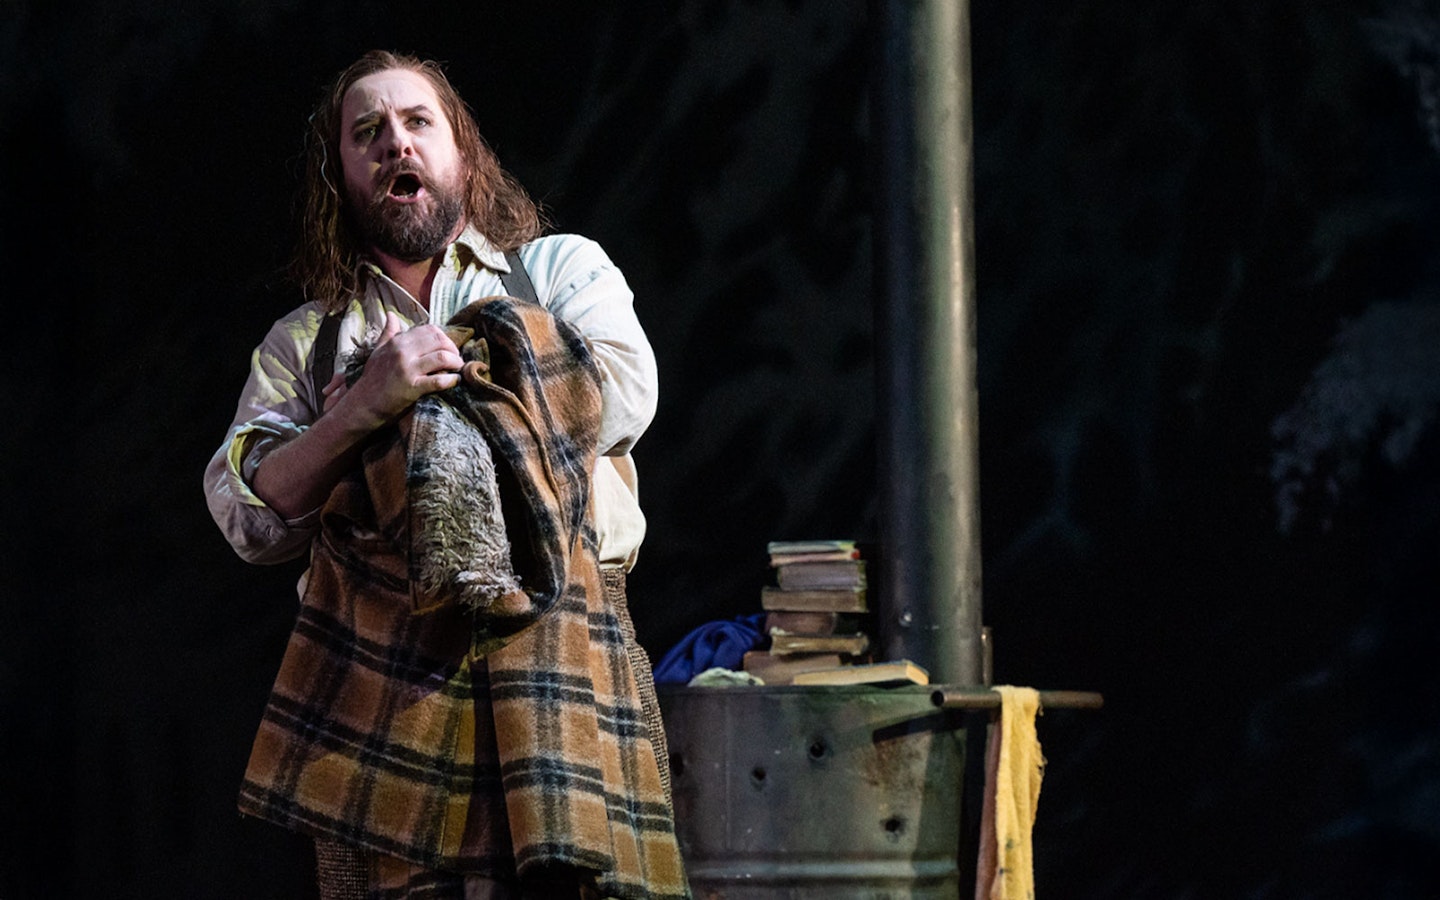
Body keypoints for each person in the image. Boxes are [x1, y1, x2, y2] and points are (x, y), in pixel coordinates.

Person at [204, 50, 688, 900]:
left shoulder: (556, 271)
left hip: (565, 649)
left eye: (417, 123)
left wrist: (443, 385)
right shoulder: (308, 345)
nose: (396, 144)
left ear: (460, 151)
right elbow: (252, 514)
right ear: (342, 175)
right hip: (387, 681)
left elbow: (624, 393)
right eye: (368, 134)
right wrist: (363, 406)